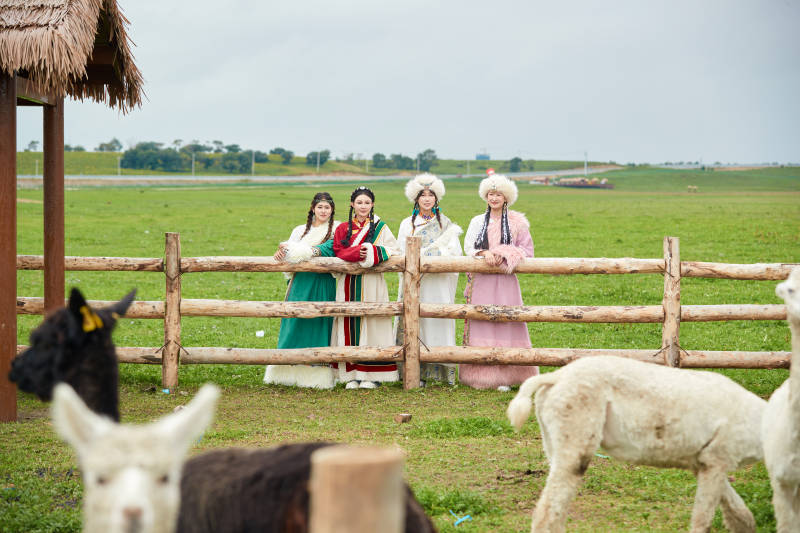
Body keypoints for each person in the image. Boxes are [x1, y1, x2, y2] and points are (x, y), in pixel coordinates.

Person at [461, 171, 538, 390]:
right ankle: (482, 376)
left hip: (505, 281)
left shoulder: (517, 223)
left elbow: (527, 251)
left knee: (506, 323)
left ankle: (509, 376)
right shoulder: (477, 221)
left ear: (506, 197)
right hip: (482, 278)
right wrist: (484, 253)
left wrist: (503, 252)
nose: (494, 198)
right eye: (490, 194)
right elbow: (468, 247)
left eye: (498, 194)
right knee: (482, 321)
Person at [264, 192, 339, 389]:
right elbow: (288, 253)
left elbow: (332, 249)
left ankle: (317, 372)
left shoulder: (336, 229)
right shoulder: (299, 230)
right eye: (320, 207)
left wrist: (307, 252)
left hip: (322, 281)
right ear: (313, 208)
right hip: (300, 282)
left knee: (318, 321)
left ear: (332, 210)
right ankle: (286, 369)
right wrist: (282, 252)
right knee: (293, 320)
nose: (323, 211)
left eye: (327, 208)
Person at [329, 186, 401, 389]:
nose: (363, 206)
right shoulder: (343, 228)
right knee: (348, 321)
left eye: (367, 203)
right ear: (352, 204)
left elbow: (394, 249)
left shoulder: (381, 227)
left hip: (372, 281)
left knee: (373, 323)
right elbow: (338, 250)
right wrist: (357, 253)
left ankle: (372, 374)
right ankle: (349, 374)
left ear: (372, 205)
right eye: (359, 202)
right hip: (347, 282)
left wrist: (370, 251)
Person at [396, 174, 462, 386]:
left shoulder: (446, 224)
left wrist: (435, 256)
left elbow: (455, 252)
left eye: (430, 195)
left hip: (439, 282)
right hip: (416, 281)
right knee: (416, 322)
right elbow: (400, 251)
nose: (426, 199)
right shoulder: (408, 223)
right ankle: (416, 371)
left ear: (436, 198)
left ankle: (443, 372)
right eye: (422, 195)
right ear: (416, 198)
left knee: (438, 320)